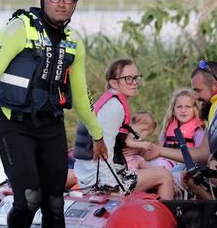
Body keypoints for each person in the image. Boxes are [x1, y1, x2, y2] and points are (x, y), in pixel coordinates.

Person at [0, 0, 107, 228]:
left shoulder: (74, 44)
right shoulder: (19, 29)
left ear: (74, 5)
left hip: (51, 128)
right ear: (43, 0)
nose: (62, 4)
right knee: (30, 197)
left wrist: (98, 134)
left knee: (54, 204)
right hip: (14, 126)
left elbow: (81, 96)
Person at [73, 58, 175, 200]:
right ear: (114, 83)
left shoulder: (110, 100)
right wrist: (110, 188)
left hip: (90, 174)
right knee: (164, 175)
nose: (134, 82)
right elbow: (104, 148)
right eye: (128, 79)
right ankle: (166, 220)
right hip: (97, 181)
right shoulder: (114, 107)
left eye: (136, 78)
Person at [144, 60, 217, 165]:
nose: (195, 96)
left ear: (216, 86)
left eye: (198, 90)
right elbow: (202, 151)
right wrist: (159, 150)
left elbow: (203, 154)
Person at [149, 88, 205, 169]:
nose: (183, 110)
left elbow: (200, 154)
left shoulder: (198, 129)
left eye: (188, 107)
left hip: (184, 165)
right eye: (179, 107)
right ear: (173, 110)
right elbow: (160, 145)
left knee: (160, 166)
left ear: (195, 109)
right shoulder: (168, 126)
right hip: (165, 160)